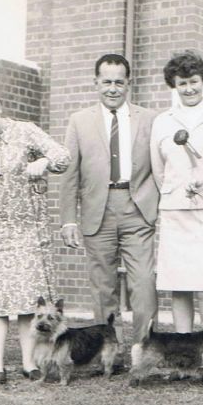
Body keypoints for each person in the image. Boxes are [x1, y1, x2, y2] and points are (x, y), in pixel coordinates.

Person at [0, 83, 70, 384]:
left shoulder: (26, 131)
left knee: (27, 302)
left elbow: (63, 156)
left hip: (28, 232)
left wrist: (44, 162)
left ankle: (28, 363)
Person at [59, 54, 159, 368]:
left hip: (137, 208)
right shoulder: (79, 120)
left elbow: (160, 166)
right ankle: (109, 356)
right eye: (106, 82)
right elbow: (70, 173)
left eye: (119, 82)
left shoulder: (150, 119)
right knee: (102, 287)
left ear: (128, 83)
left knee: (143, 282)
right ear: (96, 83)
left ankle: (143, 352)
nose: (113, 88)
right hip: (96, 212)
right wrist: (68, 220)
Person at [150, 50, 203, 333]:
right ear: (174, 84)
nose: (189, 88)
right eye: (182, 83)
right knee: (179, 283)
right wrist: (176, 193)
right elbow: (159, 169)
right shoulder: (163, 121)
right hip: (175, 211)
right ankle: (184, 344)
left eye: (194, 80)